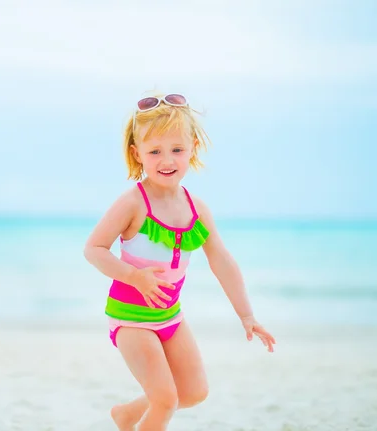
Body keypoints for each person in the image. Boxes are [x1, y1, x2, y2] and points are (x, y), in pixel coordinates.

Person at [83, 93, 276, 431]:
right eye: (154, 151)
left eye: (176, 149)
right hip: (131, 318)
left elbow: (222, 260)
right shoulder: (133, 203)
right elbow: (94, 249)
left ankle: (127, 415)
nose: (166, 159)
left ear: (193, 148)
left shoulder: (196, 207)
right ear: (137, 154)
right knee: (165, 400)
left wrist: (247, 315)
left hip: (170, 315)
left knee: (194, 392)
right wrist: (134, 276)